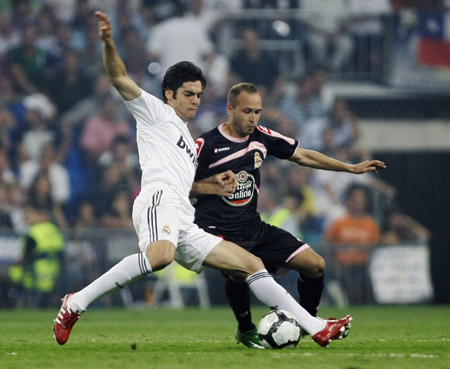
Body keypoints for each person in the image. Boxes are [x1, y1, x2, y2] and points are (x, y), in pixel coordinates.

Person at [52, 11, 352, 348]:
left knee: (249, 264)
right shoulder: (156, 112)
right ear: (169, 94)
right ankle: (75, 303)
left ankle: (314, 326)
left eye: (198, 94)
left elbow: (191, 184)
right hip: (158, 199)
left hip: (183, 216)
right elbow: (119, 78)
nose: (195, 100)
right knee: (160, 256)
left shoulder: (187, 138)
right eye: (188, 94)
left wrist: (212, 184)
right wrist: (109, 43)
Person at [192, 82, 386, 348]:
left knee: (315, 265)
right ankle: (246, 329)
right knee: (240, 272)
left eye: (258, 111)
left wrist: (350, 168)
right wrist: (212, 184)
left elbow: (303, 155)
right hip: (216, 229)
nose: (253, 118)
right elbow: (182, 185)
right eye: (247, 111)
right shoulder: (206, 144)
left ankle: (307, 322)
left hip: (252, 226)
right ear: (230, 109)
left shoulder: (261, 137)